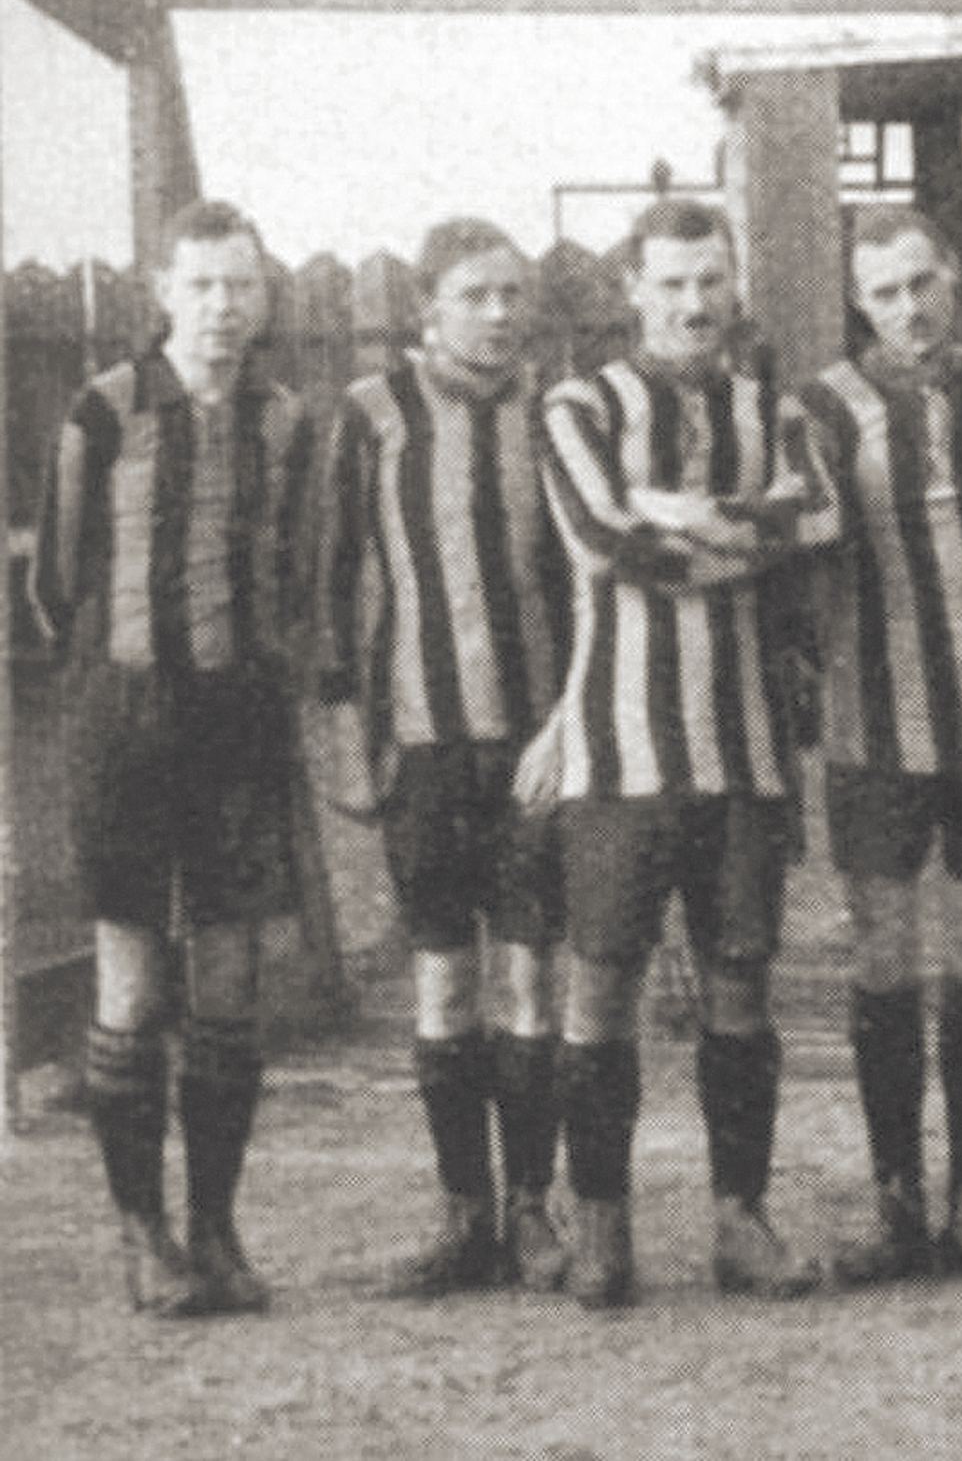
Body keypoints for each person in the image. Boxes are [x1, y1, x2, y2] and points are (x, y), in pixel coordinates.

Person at [530, 198, 819, 1309]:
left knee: (741, 989)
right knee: (600, 990)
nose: (694, 303)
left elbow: (812, 520)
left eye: (711, 280)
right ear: (633, 290)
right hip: (617, 757)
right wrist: (737, 530)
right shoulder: (579, 403)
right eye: (672, 283)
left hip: (743, 753)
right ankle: (604, 1228)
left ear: (734, 283)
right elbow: (603, 541)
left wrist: (672, 512)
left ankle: (740, 1221)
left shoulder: (772, 406)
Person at [33, 199, 315, 1318]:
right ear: (163, 293)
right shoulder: (103, 411)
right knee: (135, 979)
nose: (221, 308)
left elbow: (293, 572)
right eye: (201, 285)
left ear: (265, 295)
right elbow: (58, 584)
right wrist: (123, 681)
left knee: (231, 984)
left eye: (240, 285)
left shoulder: (284, 419)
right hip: (128, 727)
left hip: (238, 728)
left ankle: (216, 1230)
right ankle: (142, 1233)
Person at [789, 206, 962, 1288]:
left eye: (922, 283)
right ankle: (897, 1201)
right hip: (873, 726)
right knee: (882, 960)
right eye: (884, 293)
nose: (907, 309)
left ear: (953, 276)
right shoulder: (820, 406)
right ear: (859, 302)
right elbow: (799, 561)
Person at [317, 218, 572, 1297]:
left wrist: (576, 721)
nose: (499, 313)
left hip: (536, 747)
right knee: (441, 980)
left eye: (513, 293)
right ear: (428, 308)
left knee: (530, 978)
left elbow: (586, 578)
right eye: (475, 294)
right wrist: (347, 734)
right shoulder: (373, 412)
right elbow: (332, 580)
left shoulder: (558, 410)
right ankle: (463, 1214)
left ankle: (532, 1210)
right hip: (420, 741)